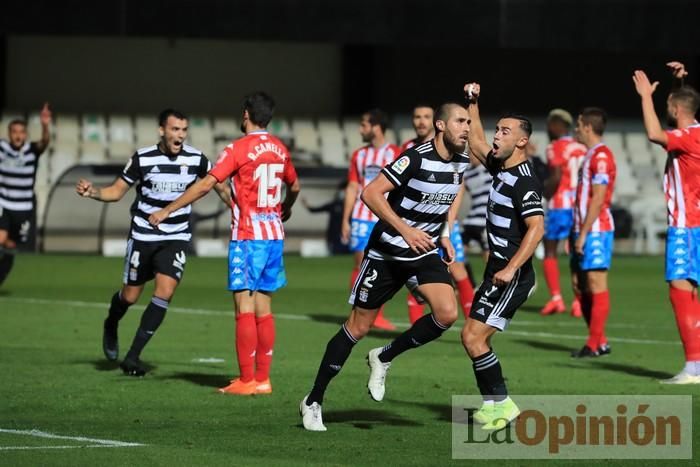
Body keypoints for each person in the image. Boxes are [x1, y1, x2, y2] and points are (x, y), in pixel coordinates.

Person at [300, 101, 471, 431]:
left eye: (468, 121)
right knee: (358, 328)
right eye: (460, 121)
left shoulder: (461, 160)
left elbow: (446, 200)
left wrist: (446, 234)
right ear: (440, 125)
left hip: (423, 253)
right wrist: (405, 230)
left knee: (447, 313)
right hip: (387, 253)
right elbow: (371, 193)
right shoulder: (415, 157)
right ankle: (313, 400)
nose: (467, 128)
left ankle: (385, 356)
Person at [149, 92, 300, 395]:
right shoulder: (280, 149)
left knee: (243, 306)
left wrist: (167, 209)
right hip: (273, 237)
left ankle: (246, 381)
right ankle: (263, 379)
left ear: (246, 114)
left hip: (247, 236)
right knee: (264, 307)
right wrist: (287, 207)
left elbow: (207, 183)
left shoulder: (238, 149)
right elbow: (294, 185)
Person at [76, 109, 232, 376]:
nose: (180, 136)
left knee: (165, 292)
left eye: (183, 130)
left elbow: (220, 187)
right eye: (174, 130)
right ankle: (111, 323)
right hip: (143, 236)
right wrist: (93, 192)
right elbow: (116, 191)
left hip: (175, 237)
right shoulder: (142, 158)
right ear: (162, 130)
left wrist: (239, 210)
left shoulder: (197, 159)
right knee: (130, 296)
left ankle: (133, 357)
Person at [460, 83, 544, 431]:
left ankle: (502, 405)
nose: (497, 135)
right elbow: (477, 143)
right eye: (497, 128)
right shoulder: (501, 167)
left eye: (505, 131)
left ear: (521, 141)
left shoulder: (524, 180)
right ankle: (494, 405)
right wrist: (474, 104)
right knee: (473, 337)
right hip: (497, 269)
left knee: (473, 337)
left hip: (514, 273)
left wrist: (511, 268)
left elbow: (536, 228)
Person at [633, 61, 700, 384]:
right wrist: (679, 83)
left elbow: (654, 133)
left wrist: (645, 96)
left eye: (668, 105)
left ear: (674, 108)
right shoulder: (694, 134)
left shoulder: (686, 138)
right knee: (687, 289)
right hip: (695, 223)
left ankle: (694, 367)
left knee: (680, 289)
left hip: (686, 225)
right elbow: (680, 116)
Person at [401, 104, 475, 324]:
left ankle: (473, 326)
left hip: (444, 223)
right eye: (417, 116)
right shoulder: (407, 149)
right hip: (415, 226)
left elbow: (458, 188)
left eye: (426, 116)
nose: (421, 121)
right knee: (415, 273)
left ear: (437, 122)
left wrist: (448, 226)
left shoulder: (452, 148)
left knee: (459, 270)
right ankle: (416, 327)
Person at [341, 109, 401, 331]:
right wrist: (345, 219)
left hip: (384, 217)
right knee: (360, 264)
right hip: (360, 217)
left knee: (382, 265)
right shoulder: (359, 155)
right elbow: (352, 187)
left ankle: (376, 314)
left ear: (376, 127)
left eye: (364, 125)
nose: (361, 129)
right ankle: (358, 313)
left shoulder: (396, 152)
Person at [569, 107, 617, 358]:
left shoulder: (601, 157)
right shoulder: (590, 155)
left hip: (596, 230)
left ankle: (593, 343)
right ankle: (600, 341)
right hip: (581, 228)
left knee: (596, 283)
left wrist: (584, 233)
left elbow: (598, 199)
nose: (575, 129)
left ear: (588, 126)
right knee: (580, 285)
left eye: (578, 124)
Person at [540, 109, 587, 317]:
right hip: (578, 207)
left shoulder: (554, 147)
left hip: (559, 205)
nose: (548, 130)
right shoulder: (582, 147)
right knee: (576, 253)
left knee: (550, 251)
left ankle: (557, 299)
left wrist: (544, 193)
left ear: (556, 126)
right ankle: (579, 301)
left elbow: (557, 176)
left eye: (550, 125)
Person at [0, 103, 52, 286]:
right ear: (9, 133)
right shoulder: (2, 149)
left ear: (26, 134)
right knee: (1, 238)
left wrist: (45, 125)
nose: (18, 135)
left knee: (11, 246)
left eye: (21, 132)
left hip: (23, 208)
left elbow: (45, 142)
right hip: (4, 203)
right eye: (14, 131)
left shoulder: (31, 150)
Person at [301, 180, 350, 255]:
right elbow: (314, 210)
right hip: (333, 235)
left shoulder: (351, 206)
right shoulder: (333, 205)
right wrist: (306, 205)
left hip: (346, 235)